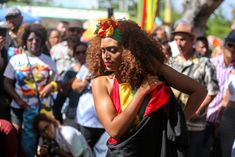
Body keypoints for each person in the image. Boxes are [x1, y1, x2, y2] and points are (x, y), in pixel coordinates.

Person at [86, 18, 207, 156]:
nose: (106, 56)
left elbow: (199, 91)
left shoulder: (153, 74)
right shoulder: (101, 83)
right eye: (102, 51)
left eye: (112, 50)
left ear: (129, 51)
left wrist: (178, 123)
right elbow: (115, 131)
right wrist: (142, 91)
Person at [3, 23, 58, 157]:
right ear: (25, 40)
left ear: (42, 42)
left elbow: (56, 82)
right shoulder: (16, 60)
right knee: (17, 138)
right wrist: (19, 100)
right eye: (30, 39)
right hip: (18, 108)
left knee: (40, 142)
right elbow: (7, 82)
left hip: (41, 108)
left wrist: (51, 86)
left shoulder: (49, 61)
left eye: (37, 40)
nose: (34, 42)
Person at [167, 22, 219, 157]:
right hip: (174, 123)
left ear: (192, 40)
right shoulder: (171, 62)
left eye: (182, 39)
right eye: (176, 39)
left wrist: (197, 111)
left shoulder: (205, 63)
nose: (179, 43)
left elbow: (212, 91)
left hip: (194, 126)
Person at [205, 30, 235, 157]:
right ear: (223, 46)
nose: (233, 49)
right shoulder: (211, 63)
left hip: (228, 121)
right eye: (230, 45)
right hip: (207, 117)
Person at [51, 20, 85, 123]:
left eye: (78, 31)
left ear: (81, 33)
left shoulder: (85, 49)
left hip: (78, 96)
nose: (75, 33)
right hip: (58, 93)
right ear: (67, 31)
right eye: (72, 30)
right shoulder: (56, 49)